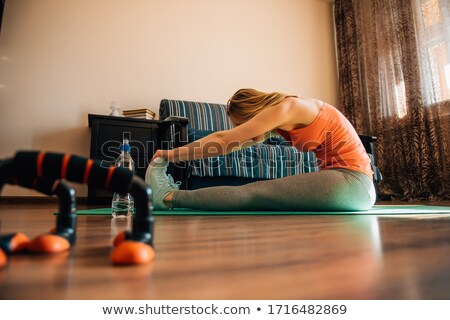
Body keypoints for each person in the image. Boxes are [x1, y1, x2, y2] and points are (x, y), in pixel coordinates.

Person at [147, 88, 376, 211]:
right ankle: (168, 196)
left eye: (240, 123)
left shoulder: (288, 107)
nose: (240, 129)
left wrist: (168, 154)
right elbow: (223, 147)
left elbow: (224, 139)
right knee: (256, 193)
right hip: (356, 186)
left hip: (352, 183)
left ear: (252, 113)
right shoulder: (291, 111)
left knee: (252, 194)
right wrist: (171, 157)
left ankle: (167, 197)